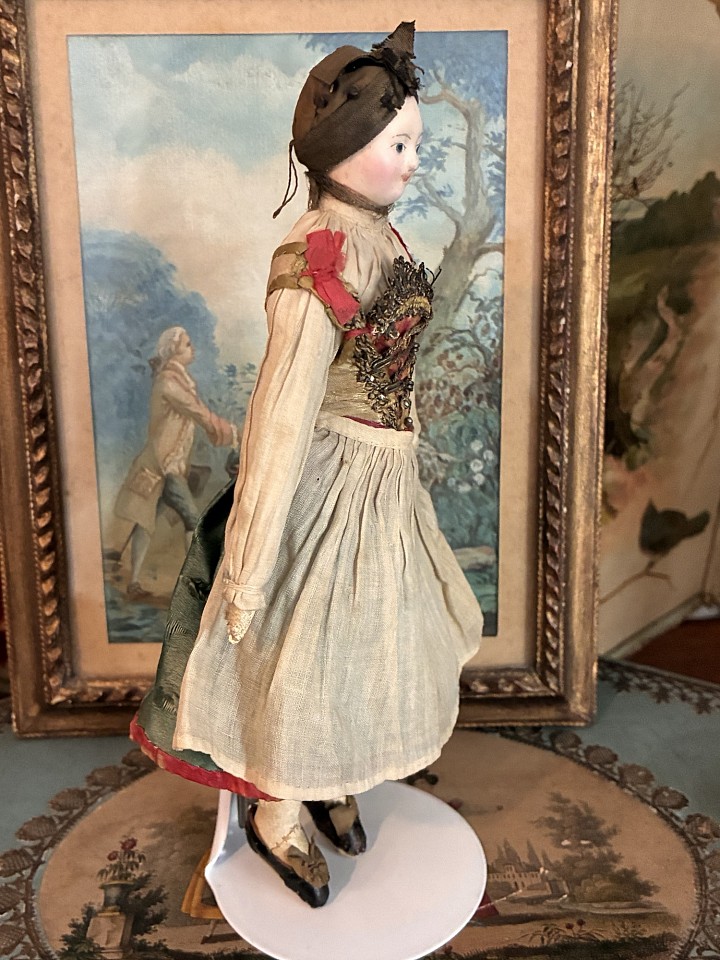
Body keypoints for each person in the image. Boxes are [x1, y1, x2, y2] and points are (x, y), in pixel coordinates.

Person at [130, 23, 483, 908]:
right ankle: (278, 810)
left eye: (415, 146)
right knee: (301, 650)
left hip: (381, 480)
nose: (413, 164)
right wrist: (250, 562)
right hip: (320, 485)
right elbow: (282, 409)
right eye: (398, 146)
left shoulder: (383, 236)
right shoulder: (318, 250)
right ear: (342, 149)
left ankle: (331, 771)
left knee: (365, 636)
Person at [112, 326, 236, 598]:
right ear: (173, 351)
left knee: (146, 521)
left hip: (169, 464)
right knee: (193, 519)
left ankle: (134, 583)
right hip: (163, 466)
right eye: (187, 345)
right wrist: (230, 433)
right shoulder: (169, 382)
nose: (193, 348)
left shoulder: (180, 380)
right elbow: (197, 412)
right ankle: (197, 585)